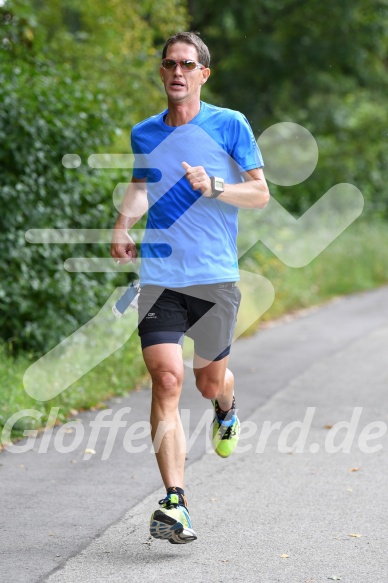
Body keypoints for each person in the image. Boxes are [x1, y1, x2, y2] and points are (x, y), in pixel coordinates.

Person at [110, 31, 269, 544]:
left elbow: (260, 193)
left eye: (187, 64)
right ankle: (175, 502)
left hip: (215, 276)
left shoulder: (230, 125)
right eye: (169, 64)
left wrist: (215, 185)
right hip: (160, 277)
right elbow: (141, 185)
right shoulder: (144, 133)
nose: (177, 72)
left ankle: (226, 406)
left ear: (203, 73)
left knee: (206, 382)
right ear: (162, 73)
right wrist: (122, 225)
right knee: (167, 379)